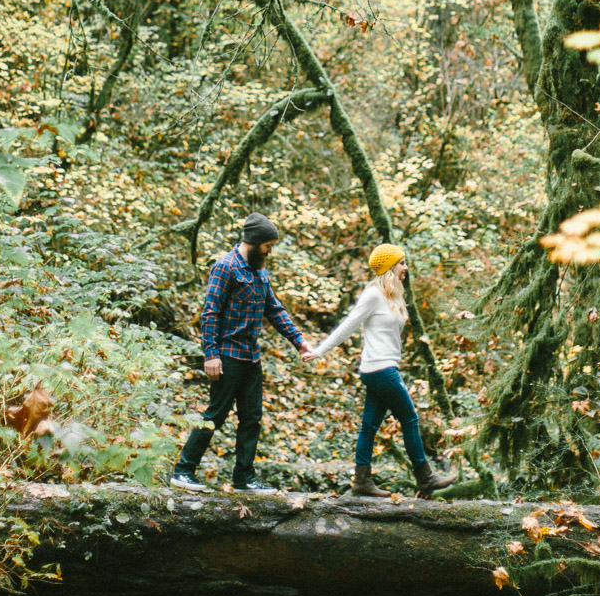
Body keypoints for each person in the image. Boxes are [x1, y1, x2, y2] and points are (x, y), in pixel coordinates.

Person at [171, 212, 313, 493]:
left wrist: (299, 341)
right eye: (268, 245)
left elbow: (274, 309)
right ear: (256, 240)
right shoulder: (225, 267)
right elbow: (210, 312)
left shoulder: (259, 269)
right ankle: (183, 471)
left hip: (251, 356)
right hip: (227, 355)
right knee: (215, 415)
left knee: (252, 417)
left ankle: (244, 479)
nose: (270, 250)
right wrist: (210, 354)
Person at [303, 244, 454, 498]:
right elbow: (350, 324)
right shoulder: (373, 294)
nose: (406, 268)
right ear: (389, 267)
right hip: (380, 369)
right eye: (401, 263)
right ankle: (425, 478)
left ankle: (361, 480)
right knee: (410, 418)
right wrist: (319, 350)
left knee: (369, 425)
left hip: (381, 368)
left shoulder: (392, 295)